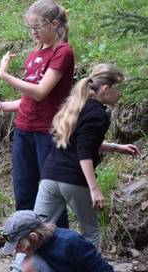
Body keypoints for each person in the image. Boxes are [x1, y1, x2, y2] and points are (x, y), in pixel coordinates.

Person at [0, 0, 73, 272]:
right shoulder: (35, 54)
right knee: (24, 198)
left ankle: (61, 263)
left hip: (47, 133)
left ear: (55, 25)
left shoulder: (62, 52)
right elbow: (30, 98)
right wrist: (3, 106)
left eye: (38, 26)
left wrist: (4, 75)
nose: (34, 32)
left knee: (50, 200)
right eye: (31, 27)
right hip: (25, 131)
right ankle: (22, 270)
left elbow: (42, 92)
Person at [35, 63, 139, 248]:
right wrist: (94, 189)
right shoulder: (98, 114)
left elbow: (78, 142)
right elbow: (83, 151)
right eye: (119, 90)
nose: (121, 95)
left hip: (50, 176)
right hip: (74, 179)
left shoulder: (75, 105)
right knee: (91, 232)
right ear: (106, 89)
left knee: (35, 231)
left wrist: (116, 147)